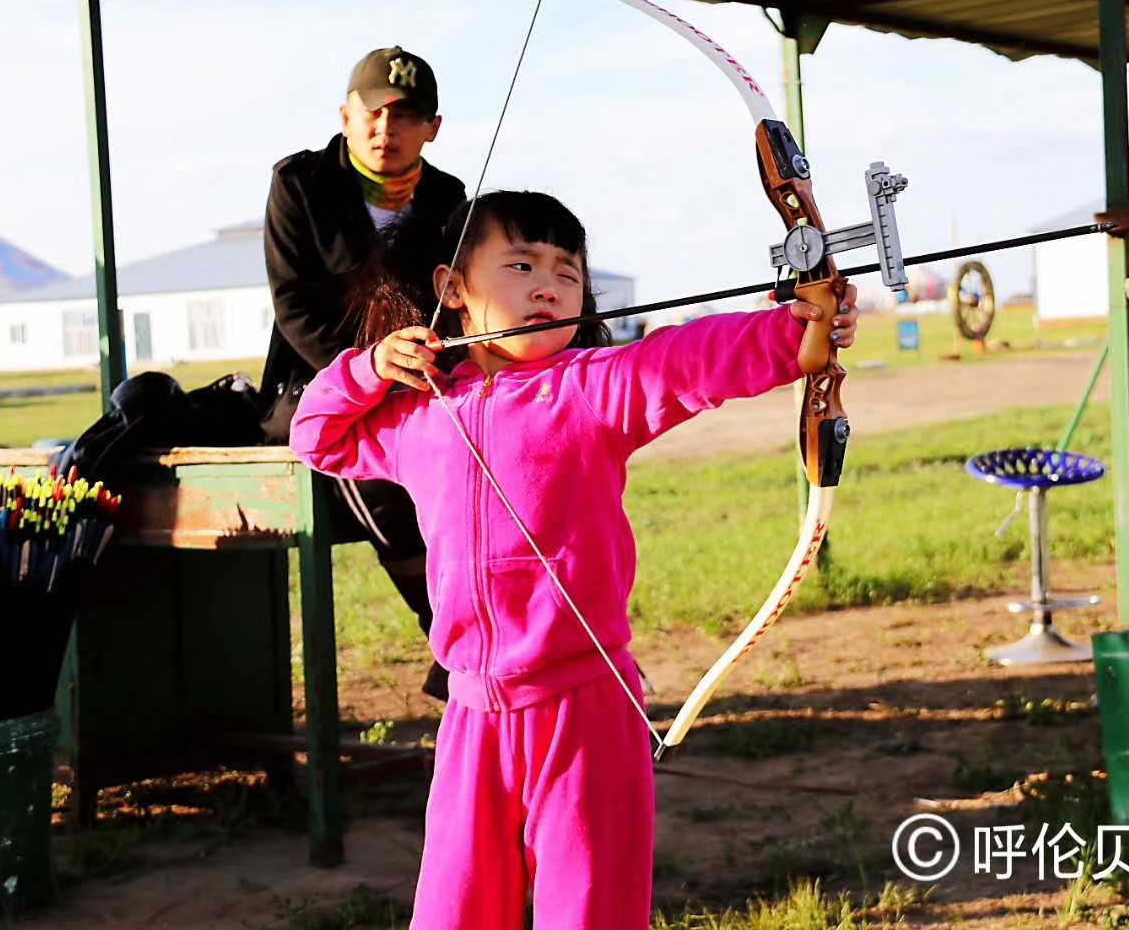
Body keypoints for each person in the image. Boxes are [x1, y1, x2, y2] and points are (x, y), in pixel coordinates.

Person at [289, 191, 859, 929]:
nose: (547, 288)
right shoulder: (418, 413)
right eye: (521, 265)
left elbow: (685, 359)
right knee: (454, 912)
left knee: (590, 910)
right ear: (451, 288)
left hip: (586, 707)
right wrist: (369, 368)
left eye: (567, 273)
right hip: (472, 714)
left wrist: (801, 327)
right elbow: (317, 435)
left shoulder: (591, 388)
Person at [260, 46, 464, 701]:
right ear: (345, 117)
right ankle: (453, 639)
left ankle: (503, 635)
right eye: (372, 112)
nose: (385, 129)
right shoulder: (300, 184)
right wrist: (370, 373)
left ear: (433, 128)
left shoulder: (449, 198)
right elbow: (294, 308)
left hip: (421, 387)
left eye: (404, 116)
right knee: (383, 480)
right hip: (316, 392)